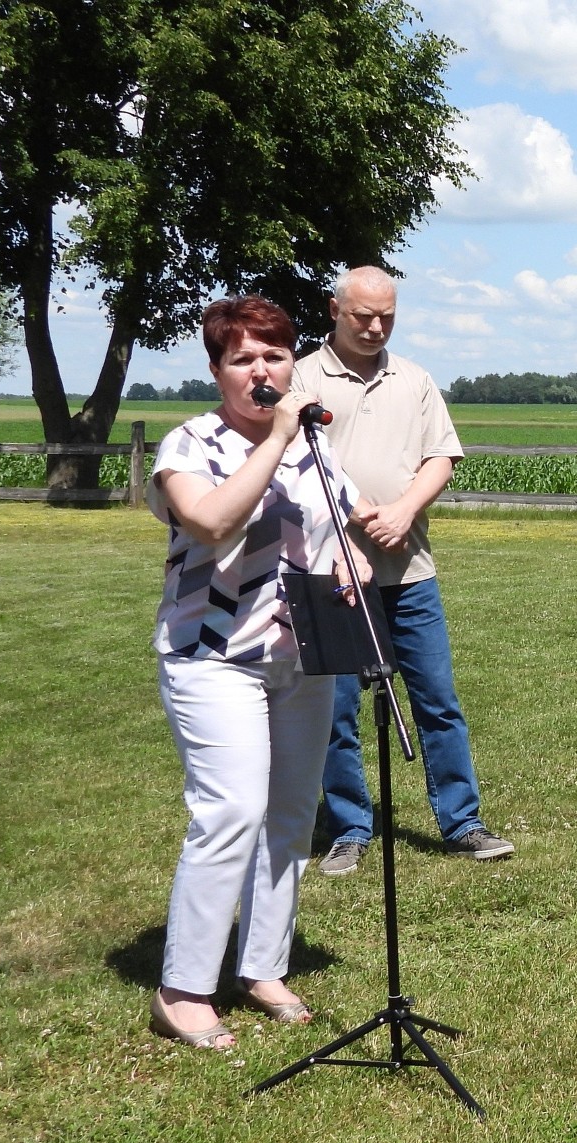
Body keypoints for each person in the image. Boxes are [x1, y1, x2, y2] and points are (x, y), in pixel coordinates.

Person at [145, 294, 369, 1048]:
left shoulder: (313, 445)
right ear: (217, 370)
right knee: (231, 810)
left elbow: (336, 524)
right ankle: (181, 990)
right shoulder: (189, 445)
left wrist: (352, 561)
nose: (263, 369)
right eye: (244, 358)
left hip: (302, 658)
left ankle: (264, 966)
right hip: (214, 659)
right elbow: (211, 522)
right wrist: (275, 440)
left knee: (290, 815)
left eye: (275, 354)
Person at [293, 266, 514, 876]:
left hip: (410, 571)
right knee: (335, 712)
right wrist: (361, 513)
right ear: (333, 309)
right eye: (363, 315)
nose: (375, 326)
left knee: (437, 702)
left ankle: (463, 822)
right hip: (329, 573)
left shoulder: (413, 379)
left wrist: (404, 509)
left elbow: (441, 455)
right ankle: (348, 828)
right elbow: (292, 461)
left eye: (386, 315)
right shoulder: (302, 378)